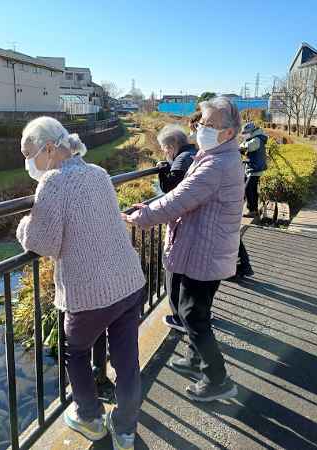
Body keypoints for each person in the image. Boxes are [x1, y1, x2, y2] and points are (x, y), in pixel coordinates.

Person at [16, 116, 145, 449]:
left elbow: (42, 242)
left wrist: (22, 227)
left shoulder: (53, 183)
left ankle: (89, 416)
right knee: (128, 361)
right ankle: (125, 429)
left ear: (48, 148)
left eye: (29, 154)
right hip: (129, 283)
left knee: (75, 351)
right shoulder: (99, 173)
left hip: (92, 293)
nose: (28, 163)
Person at [123, 96, 243, 402]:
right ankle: (194, 359)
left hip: (205, 252)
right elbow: (182, 196)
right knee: (192, 309)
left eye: (209, 124)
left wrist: (142, 216)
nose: (201, 128)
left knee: (193, 314)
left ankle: (218, 379)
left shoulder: (217, 164)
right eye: (201, 122)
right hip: (202, 248)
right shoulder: (214, 155)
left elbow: (178, 199)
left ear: (228, 132)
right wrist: (149, 205)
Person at [155, 124, 197, 334]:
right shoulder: (196, 153)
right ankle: (194, 312)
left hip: (183, 224)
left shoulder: (181, 160)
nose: (165, 153)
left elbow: (170, 189)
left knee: (174, 270)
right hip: (197, 222)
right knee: (191, 273)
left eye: (164, 149)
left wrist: (162, 171)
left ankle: (179, 317)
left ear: (171, 146)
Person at [240, 122, 268, 218]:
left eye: (246, 133)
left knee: (248, 189)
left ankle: (252, 210)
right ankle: (254, 209)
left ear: (251, 131)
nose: (244, 135)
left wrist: (238, 147)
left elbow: (246, 147)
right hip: (253, 168)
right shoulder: (256, 138)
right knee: (252, 189)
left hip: (255, 168)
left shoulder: (256, 139)